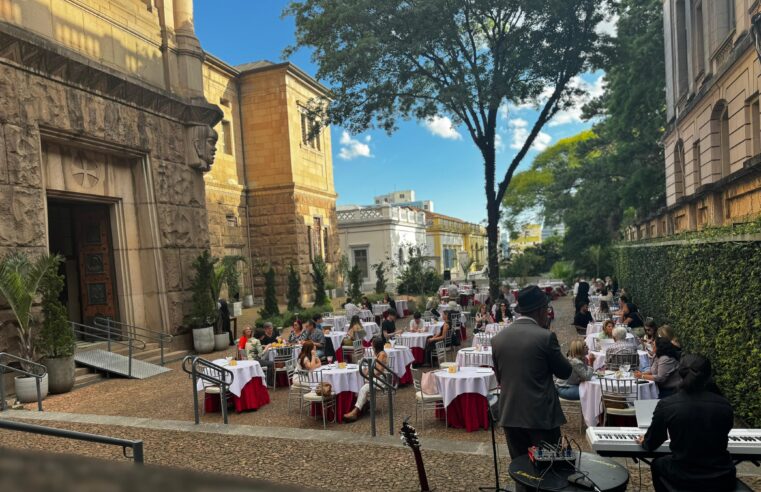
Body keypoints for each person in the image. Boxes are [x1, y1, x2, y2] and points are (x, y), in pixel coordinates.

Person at [491, 285, 572, 459]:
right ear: (541, 310)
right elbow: (565, 372)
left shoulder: (498, 339)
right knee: (548, 471)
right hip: (541, 417)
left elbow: (500, 377)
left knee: (521, 470)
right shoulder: (545, 337)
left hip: (510, 415)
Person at [636, 354, 736, 492]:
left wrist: (644, 441)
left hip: (683, 475)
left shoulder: (667, 404)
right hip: (722, 476)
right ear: (708, 375)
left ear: (680, 373)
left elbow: (653, 442)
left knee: (658, 464)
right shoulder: (725, 404)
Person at [342, 336, 388, 422]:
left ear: (375, 346)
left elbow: (378, 371)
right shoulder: (378, 354)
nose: (371, 345)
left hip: (381, 380)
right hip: (376, 378)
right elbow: (373, 369)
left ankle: (355, 412)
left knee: (363, 388)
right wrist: (367, 371)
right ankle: (365, 403)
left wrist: (368, 374)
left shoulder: (382, 354)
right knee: (358, 383)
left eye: (372, 344)